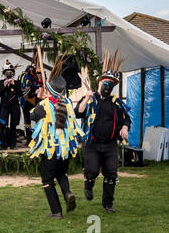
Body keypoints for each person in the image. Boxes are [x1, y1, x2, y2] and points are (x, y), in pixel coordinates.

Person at [74, 48, 131, 213]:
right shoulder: (91, 99)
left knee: (111, 175)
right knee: (91, 170)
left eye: (111, 84)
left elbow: (126, 119)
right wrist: (86, 98)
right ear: (99, 82)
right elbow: (79, 112)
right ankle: (88, 184)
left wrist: (125, 128)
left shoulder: (116, 102)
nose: (108, 86)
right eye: (106, 83)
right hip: (92, 144)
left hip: (111, 145)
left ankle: (108, 204)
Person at [28, 55, 85, 219]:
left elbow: (33, 116)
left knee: (47, 180)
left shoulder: (44, 105)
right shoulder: (67, 103)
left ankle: (56, 212)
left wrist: (40, 100)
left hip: (50, 150)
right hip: (64, 149)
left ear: (49, 90)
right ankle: (67, 192)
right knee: (61, 173)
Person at [0, 60, 21, 150]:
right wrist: (4, 85)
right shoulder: (0, 82)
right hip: (4, 106)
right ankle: (3, 144)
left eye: (10, 72)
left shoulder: (17, 82)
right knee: (2, 124)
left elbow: (20, 94)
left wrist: (14, 85)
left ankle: (12, 144)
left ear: (13, 73)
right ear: (4, 73)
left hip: (14, 106)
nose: (8, 74)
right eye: (7, 72)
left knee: (13, 125)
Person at [19, 60, 44, 145]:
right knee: (27, 120)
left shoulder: (40, 78)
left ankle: (38, 138)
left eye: (39, 73)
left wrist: (40, 82)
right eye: (36, 72)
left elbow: (42, 88)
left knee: (38, 119)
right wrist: (35, 89)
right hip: (26, 101)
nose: (38, 74)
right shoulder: (25, 77)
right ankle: (29, 139)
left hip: (37, 102)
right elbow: (26, 88)